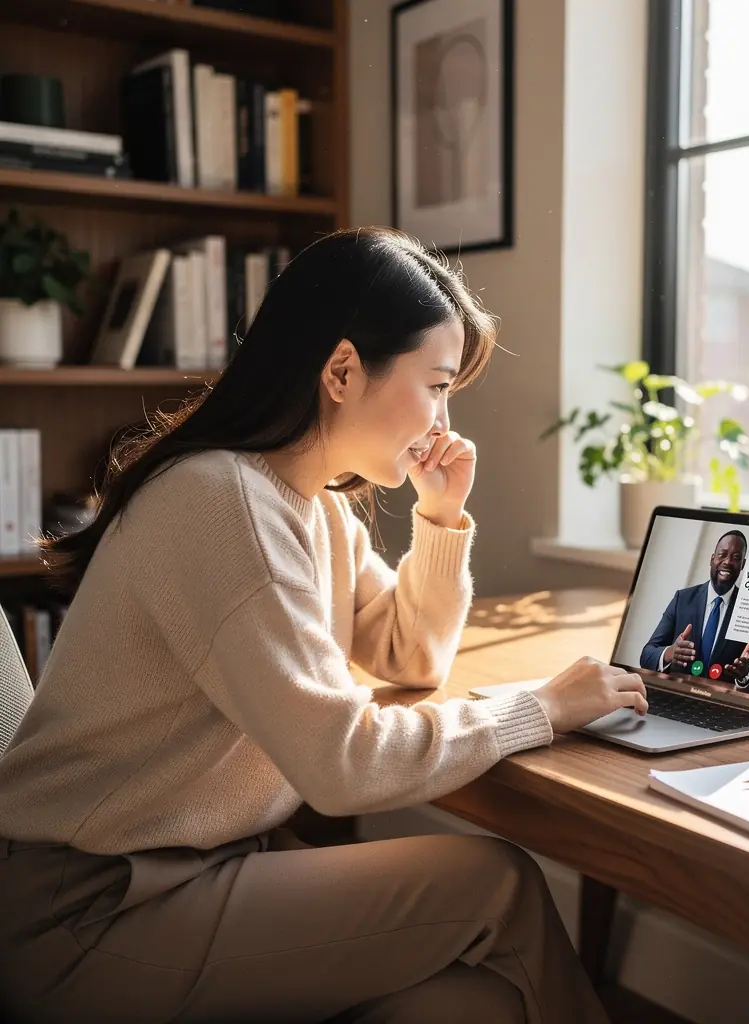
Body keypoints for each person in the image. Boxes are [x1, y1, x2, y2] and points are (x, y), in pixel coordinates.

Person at [0, 228, 650, 1024]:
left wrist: (441, 519)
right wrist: (540, 709)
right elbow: (341, 765)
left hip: (201, 870)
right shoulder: (219, 500)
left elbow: (410, 657)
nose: (443, 420)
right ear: (342, 370)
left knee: (471, 1003)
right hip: (92, 912)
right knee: (498, 883)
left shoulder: (312, 507)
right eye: (438, 385)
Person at [639, 530, 749, 693]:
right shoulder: (682, 599)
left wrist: (746, 672)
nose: (727, 561)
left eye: (736, 558)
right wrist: (670, 652)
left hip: (721, 704)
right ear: (712, 559)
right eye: (723, 554)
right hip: (676, 694)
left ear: (742, 565)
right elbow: (647, 654)